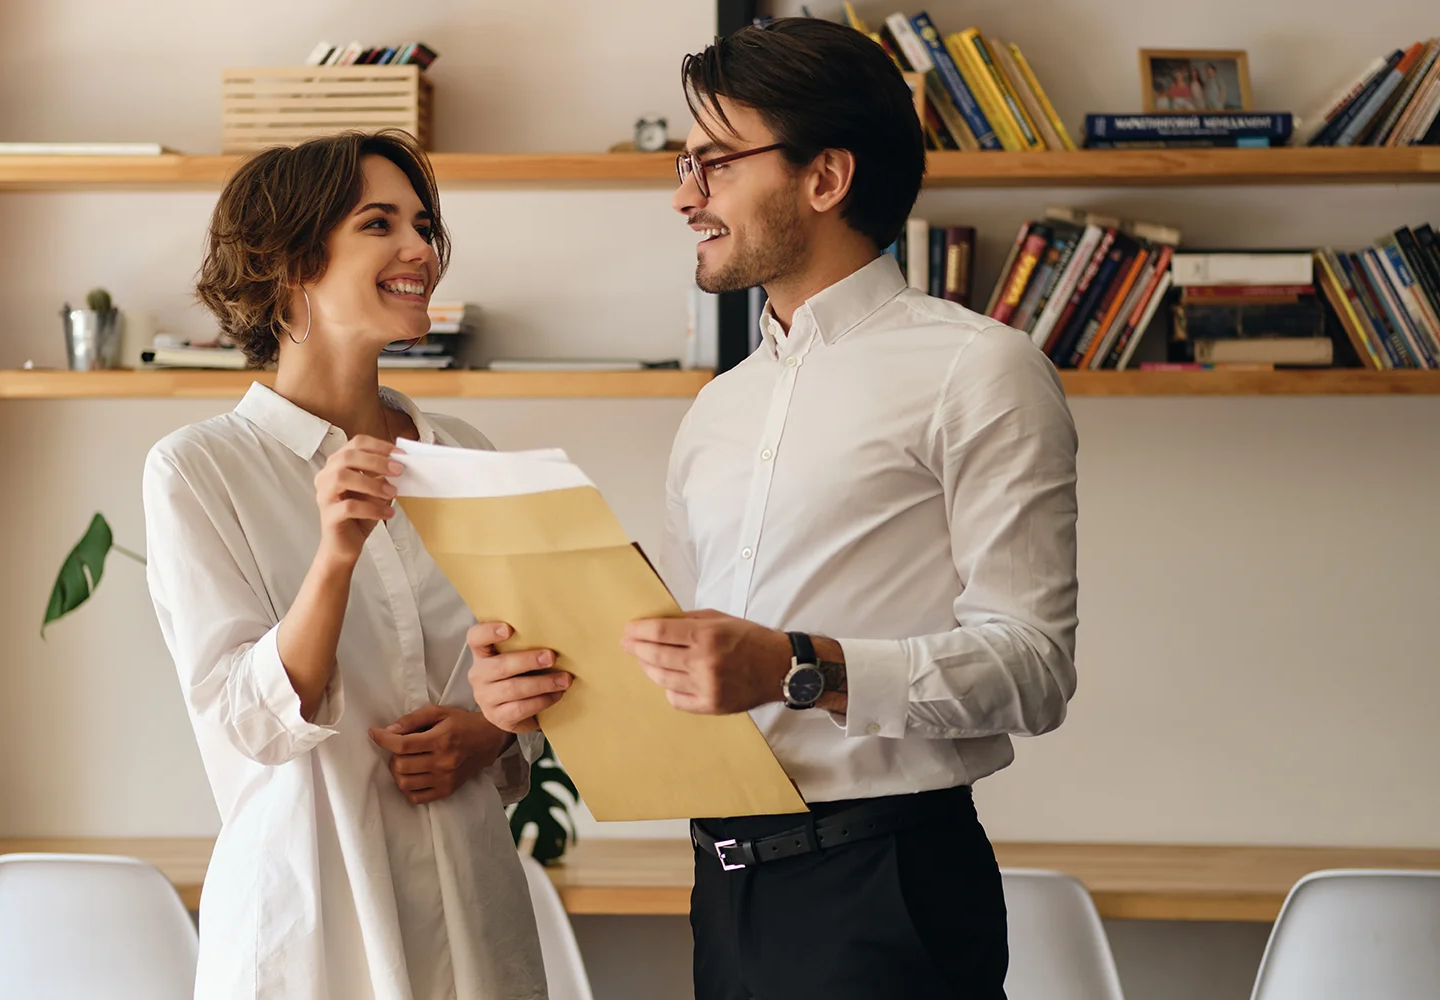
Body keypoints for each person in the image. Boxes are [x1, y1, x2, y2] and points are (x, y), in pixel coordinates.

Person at [469, 18, 1079, 1000]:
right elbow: (688, 669)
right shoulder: (718, 410)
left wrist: (801, 667)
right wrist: (532, 707)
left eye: (712, 164)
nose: (683, 196)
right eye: (684, 164)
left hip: (890, 882)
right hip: (725, 885)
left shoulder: (982, 371)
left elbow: (1035, 668)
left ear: (825, 177)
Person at [143, 129, 547, 1000]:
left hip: (475, 915)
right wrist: (334, 555)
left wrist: (492, 731)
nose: (419, 250)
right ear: (290, 262)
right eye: (379, 223)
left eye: (423, 223)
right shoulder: (199, 468)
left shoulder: (463, 454)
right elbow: (246, 723)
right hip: (311, 929)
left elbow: (526, 675)